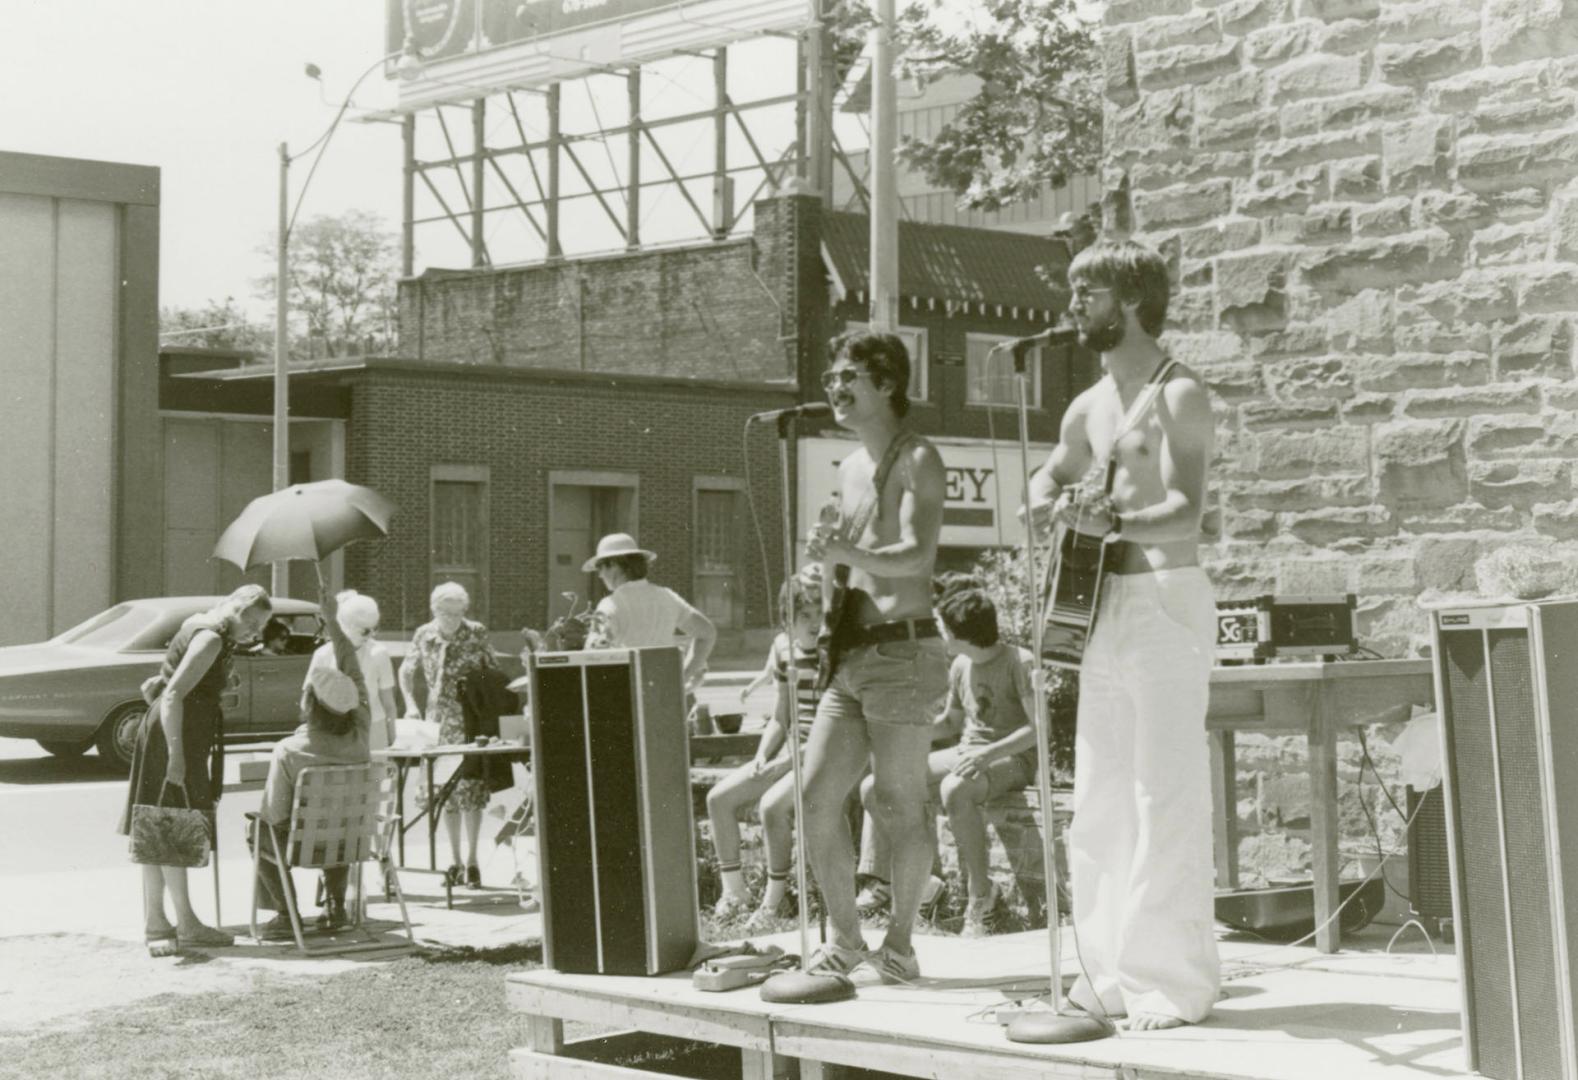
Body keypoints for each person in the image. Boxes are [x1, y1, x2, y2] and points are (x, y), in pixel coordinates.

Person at [1024, 238, 1220, 1030]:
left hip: (1164, 600)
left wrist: (1117, 520)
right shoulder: (1087, 404)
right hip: (1096, 609)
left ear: (1132, 300)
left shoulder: (1180, 394)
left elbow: (1189, 511)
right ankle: (1105, 973)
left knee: (1163, 791)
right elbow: (1055, 470)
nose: (1075, 305)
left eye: (1089, 291)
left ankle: (1170, 983)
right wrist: (1047, 496)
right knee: (1100, 798)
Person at [800, 329, 949, 984]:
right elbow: (853, 567)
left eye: (848, 377)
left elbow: (917, 555)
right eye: (831, 378)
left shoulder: (918, 458)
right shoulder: (850, 467)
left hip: (904, 653)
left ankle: (902, 944)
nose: (834, 389)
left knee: (897, 805)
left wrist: (846, 557)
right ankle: (846, 938)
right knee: (812, 798)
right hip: (853, 656)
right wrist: (819, 580)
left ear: (886, 383)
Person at [120, 584, 273, 956]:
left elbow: (159, 684)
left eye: (259, 626)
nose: (255, 632)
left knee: (155, 825)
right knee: (172, 826)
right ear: (234, 611)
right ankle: (185, 922)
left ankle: (158, 920)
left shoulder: (198, 625)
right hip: (178, 736)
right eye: (251, 622)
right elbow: (172, 694)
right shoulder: (212, 640)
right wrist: (176, 754)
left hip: (168, 731)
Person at [251, 584, 371, 938]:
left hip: (304, 845)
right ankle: (335, 906)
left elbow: (275, 814)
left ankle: (286, 913)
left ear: (309, 705)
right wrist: (332, 620)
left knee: (257, 830)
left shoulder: (290, 750)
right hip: (349, 841)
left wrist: (330, 618)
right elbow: (352, 665)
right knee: (337, 822)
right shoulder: (361, 731)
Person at [705, 566, 821, 926]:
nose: (815, 623)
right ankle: (734, 892)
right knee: (719, 799)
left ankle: (774, 902)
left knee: (772, 807)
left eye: (820, 613)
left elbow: (832, 733)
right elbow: (780, 718)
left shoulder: (832, 651)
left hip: (824, 756)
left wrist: (781, 765)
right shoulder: (783, 649)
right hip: (790, 755)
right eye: (806, 616)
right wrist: (761, 755)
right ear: (788, 619)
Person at [922, 582, 1038, 937]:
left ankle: (981, 897)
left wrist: (988, 755)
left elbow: (1040, 730)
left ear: (962, 634)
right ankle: (925, 883)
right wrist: (901, 734)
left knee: (956, 789)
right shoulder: (960, 664)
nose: (939, 633)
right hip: (969, 753)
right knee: (880, 783)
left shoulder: (1020, 662)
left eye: (943, 628)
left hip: (1013, 757)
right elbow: (951, 723)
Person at [399, 582, 498, 889]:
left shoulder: (476, 632)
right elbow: (406, 669)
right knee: (445, 794)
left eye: (459, 612)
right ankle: (453, 861)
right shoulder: (424, 634)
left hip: (469, 721)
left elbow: (493, 669)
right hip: (438, 724)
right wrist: (410, 705)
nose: (453, 618)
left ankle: (472, 862)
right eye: (447, 612)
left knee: (470, 792)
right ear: (435, 610)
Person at [582, 532, 716, 693]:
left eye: (600, 567)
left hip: (626, 693)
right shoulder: (668, 597)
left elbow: (592, 654)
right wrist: (683, 677)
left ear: (615, 565)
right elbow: (707, 633)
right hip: (664, 691)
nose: (599, 575)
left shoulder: (610, 605)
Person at [315, 591, 396, 751]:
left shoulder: (379, 653)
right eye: (365, 631)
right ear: (346, 626)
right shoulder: (323, 654)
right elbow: (311, 701)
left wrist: (392, 736)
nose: (371, 634)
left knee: (376, 777)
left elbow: (388, 702)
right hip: (335, 728)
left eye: (375, 628)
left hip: (374, 727)